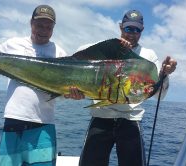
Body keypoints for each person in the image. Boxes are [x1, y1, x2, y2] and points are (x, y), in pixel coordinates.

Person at [66, 10, 177, 166]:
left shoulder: (148, 55)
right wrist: (116, 48)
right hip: (101, 117)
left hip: (130, 120)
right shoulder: (109, 49)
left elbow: (158, 95)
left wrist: (165, 74)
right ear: (120, 27)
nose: (132, 34)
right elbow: (80, 55)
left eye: (136, 30)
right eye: (128, 29)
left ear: (142, 30)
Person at [0, 5, 67, 166]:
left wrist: (72, 94)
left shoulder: (59, 53)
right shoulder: (13, 44)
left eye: (48, 27)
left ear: (53, 28)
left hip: (43, 123)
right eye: (39, 25)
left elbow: (63, 91)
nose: (43, 30)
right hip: (14, 119)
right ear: (31, 23)